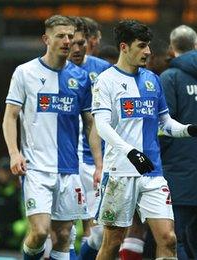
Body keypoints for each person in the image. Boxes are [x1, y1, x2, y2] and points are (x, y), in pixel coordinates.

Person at [91, 19, 197, 260]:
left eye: (148, 46)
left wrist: (189, 130)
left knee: (168, 239)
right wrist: (131, 152)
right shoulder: (106, 81)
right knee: (112, 242)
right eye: (142, 46)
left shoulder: (152, 79)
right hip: (120, 173)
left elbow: (165, 123)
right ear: (124, 47)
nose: (148, 51)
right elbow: (102, 126)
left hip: (153, 173)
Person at [2, 15, 101, 260]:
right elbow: (10, 116)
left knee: (64, 237)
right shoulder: (25, 72)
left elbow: (90, 123)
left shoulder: (80, 78)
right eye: (61, 36)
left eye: (70, 36)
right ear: (46, 39)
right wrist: (14, 152)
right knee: (39, 232)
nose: (67, 41)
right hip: (36, 168)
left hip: (69, 169)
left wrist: (99, 163)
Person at [158, 24, 197, 260]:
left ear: (172, 48)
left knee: (174, 238)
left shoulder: (169, 77)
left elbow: (164, 125)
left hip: (177, 171)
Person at [66, 16, 111, 260]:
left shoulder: (102, 70)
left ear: (89, 42)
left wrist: (102, 161)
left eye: (81, 43)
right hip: (60, 159)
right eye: (71, 42)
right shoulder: (51, 71)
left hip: (92, 158)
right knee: (60, 230)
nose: (75, 48)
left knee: (97, 231)